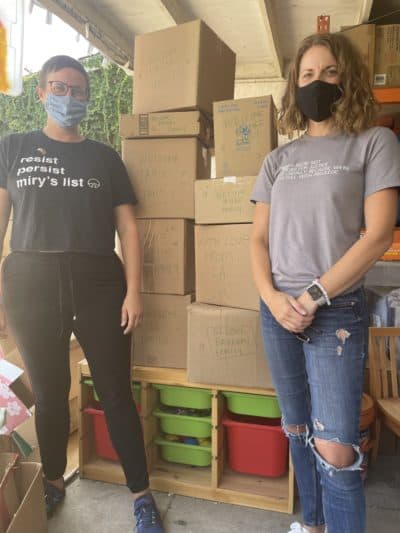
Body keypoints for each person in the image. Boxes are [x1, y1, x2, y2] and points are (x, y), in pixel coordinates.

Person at [0, 55, 163, 532]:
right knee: (50, 396)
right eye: (58, 87)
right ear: (41, 93)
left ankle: (142, 496)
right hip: (30, 280)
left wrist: (134, 291)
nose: (67, 97)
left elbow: (129, 231)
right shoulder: (13, 148)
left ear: (87, 98)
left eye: (76, 90)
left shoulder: (104, 157)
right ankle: (52, 481)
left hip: (99, 281)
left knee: (115, 393)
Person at [250, 32, 400, 533]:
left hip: (334, 311)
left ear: (348, 79)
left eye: (329, 72)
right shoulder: (277, 161)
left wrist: (313, 296)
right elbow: (257, 242)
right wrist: (273, 300)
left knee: (336, 448)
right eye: (307, 75)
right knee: (296, 432)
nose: (318, 83)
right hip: (277, 313)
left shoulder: (374, 142)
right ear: (295, 86)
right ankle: (311, 525)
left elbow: (377, 234)